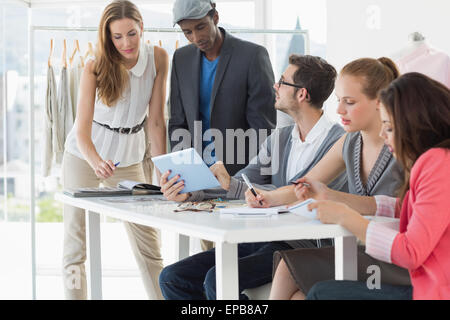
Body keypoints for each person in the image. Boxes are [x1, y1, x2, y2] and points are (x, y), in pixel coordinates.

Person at [159, 55, 347, 300]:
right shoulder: (280, 139)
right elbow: (240, 182)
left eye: (282, 82)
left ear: (302, 94)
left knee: (217, 279)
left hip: (302, 245)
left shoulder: (339, 144)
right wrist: (191, 191)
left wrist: (237, 186)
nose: (275, 86)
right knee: (173, 278)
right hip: (263, 236)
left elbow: (303, 197)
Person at [246, 57, 411, 300]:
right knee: (295, 290)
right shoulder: (350, 141)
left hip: (391, 258)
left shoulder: (405, 147)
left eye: (350, 102)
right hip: (355, 249)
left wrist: (333, 198)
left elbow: (405, 210)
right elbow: (309, 182)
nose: (339, 111)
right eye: (339, 101)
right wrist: (268, 197)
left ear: (380, 103)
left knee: (288, 270)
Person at [305, 73, 450, 300]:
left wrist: (347, 218)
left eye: (390, 128)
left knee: (322, 294)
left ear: (417, 125)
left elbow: (411, 251)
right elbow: (410, 210)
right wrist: (339, 201)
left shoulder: (437, 163)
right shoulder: (439, 160)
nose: (383, 135)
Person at [62, 0, 168, 300]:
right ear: (108, 37)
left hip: (130, 158)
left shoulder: (159, 58)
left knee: (148, 243)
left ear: (142, 27)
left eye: (132, 34)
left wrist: (162, 177)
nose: (126, 43)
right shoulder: (95, 64)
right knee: (75, 242)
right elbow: (81, 129)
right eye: (117, 37)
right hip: (84, 156)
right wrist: (95, 161)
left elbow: (157, 122)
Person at [168, 0, 276, 176]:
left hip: (239, 172)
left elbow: (262, 128)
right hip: (197, 172)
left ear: (215, 17)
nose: (196, 38)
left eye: (201, 27)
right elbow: (177, 122)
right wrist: (185, 170)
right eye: (187, 32)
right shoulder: (181, 59)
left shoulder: (252, 56)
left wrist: (247, 177)